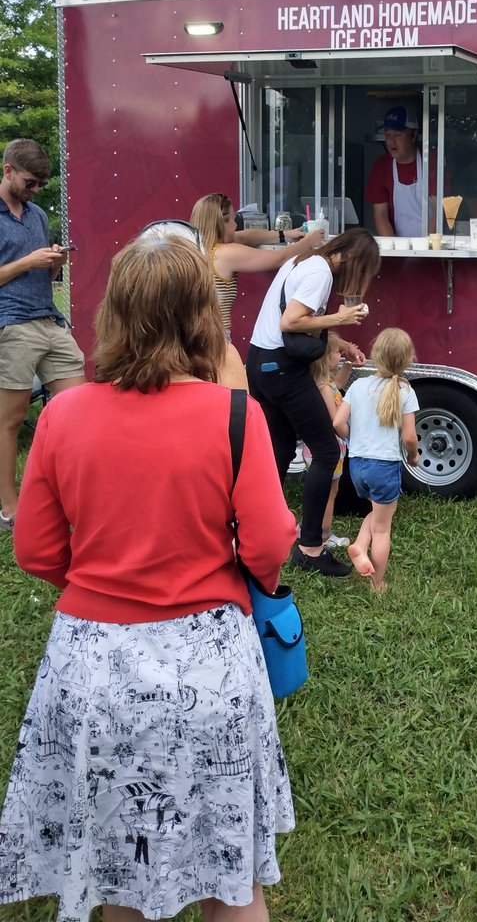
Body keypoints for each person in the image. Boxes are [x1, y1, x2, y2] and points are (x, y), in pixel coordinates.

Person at [0, 234, 297, 922]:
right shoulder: (235, 417)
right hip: (211, 668)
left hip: (93, 669)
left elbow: (37, 549)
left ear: (114, 314)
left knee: (117, 876)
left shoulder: (64, 414)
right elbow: (270, 541)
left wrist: (106, 581)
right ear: (203, 316)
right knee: (233, 878)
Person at [247, 228, 380, 577]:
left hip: (262, 363)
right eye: (364, 272)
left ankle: (258, 532)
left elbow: (299, 326)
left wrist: (338, 340)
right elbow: (291, 321)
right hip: (282, 370)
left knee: (278, 450)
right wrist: (341, 318)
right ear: (353, 259)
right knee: (325, 451)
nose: (360, 282)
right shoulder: (320, 272)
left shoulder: (302, 260)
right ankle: (309, 549)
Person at [0, 138, 85, 530]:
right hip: (12, 324)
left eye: (40, 185)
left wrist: (53, 262)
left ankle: (70, 497)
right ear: (8, 171)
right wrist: (27, 261)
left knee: (77, 413)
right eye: (30, 183)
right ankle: (10, 509)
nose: (35, 190)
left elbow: (43, 276)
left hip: (50, 320)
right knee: (11, 420)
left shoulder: (36, 215)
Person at [334, 328, 419, 593]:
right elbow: (409, 437)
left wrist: (354, 438)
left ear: (375, 355)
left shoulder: (358, 385)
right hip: (384, 466)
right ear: (408, 359)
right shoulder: (405, 390)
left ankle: (359, 545)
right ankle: (377, 583)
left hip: (357, 466)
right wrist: (414, 456)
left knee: (377, 512)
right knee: (383, 528)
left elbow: (337, 422)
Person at [190, 192, 324, 341]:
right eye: (234, 219)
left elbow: (245, 236)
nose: (236, 225)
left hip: (201, 336)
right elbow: (278, 258)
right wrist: (308, 242)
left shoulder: (199, 248)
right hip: (216, 338)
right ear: (221, 223)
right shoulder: (224, 253)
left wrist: (285, 234)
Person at [301, 332, 353, 549]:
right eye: (334, 352)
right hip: (330, 446)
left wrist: (349, 364)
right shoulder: (323, 387)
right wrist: (350, 432)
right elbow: (334, 420)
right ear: (324, 357)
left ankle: (307, 524)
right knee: (330, 492)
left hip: (317, 445)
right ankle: (324, 535)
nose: (338, 355)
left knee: (319, 489)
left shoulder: (325, 382)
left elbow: (338, 383)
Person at [364, 105, 432, 238]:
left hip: (432, 246)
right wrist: (395, 247)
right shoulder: (381, 167)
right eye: (388, 135)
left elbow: (440, 210)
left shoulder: (432, 163)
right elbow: (381, 215)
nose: (391, 141)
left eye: (397, 135)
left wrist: (427, 248)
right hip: (399, 246)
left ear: (413, 136)